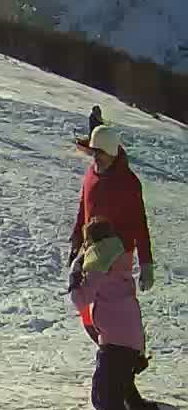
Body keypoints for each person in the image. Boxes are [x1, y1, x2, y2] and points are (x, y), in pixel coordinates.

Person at [70, 217, 150, 410]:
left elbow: (81, 299)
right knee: (112, 396)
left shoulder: (99, 262)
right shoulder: (120, 262)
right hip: (128, 340)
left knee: (103, 397)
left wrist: (75, 272)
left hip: (114, 340)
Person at [69, 126, 153, 307]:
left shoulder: (128, 182)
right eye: (93, 152)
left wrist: (146, 263)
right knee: (92, 300)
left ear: (112, 153)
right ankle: (102, 332)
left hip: (118, 254)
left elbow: (139, 223)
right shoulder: (91, 173)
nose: (95, 157)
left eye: (100, 153)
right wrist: (76, 239)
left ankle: (124, 332)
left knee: (115, 302)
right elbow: (83, 208)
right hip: (92, 248)